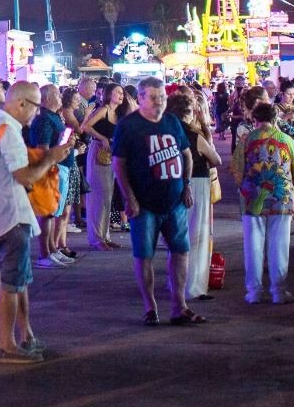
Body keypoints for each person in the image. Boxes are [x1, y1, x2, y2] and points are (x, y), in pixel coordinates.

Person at [0, 81, 69, 363]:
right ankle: (7, 344)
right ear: (22, 103)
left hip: (1, 213)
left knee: (20, 280)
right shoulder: (7, 130)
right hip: (11, 214)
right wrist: (51, 157)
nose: (37, 113)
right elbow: (24, 176)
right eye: (36, 105)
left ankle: (25, 335)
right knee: (13, 283)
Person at [112, 78, 201, 326]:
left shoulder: (172, 121)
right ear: (140, 98)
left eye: (162, 97)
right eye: (153, 97)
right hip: (144, 204)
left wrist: (187, 184)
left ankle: (179, 305)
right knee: (144, 255)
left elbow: (186, 154)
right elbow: (118, 164)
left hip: (174, 202)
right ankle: (150, 307)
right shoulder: (129, 126)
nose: (159, 102)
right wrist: (129, 197)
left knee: (181, 251)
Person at [237, 102, 294, 304]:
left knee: (253, 246)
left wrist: (246, 188)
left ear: (254, 119)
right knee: (279, 245)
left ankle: (254, 292)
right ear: (275, 119)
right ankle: (278, 291)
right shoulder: (286, 140)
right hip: (282, 198)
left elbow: (237, 169)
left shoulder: (247, 140)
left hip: (253, 197)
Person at [167, 91, 222, 303]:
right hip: (197, 183)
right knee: (197, 235)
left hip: (171, 184)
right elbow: (216, 159)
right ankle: (194, 286)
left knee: (177, 235)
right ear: (188, 113)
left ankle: (175, 284)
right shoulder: (194, 136)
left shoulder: (166, 133)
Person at [24, 84, 74, 268]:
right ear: (45, 99)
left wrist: (67, 144)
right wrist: (62, 147)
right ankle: (45, 253)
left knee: (54, 212)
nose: (60, 96)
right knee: (48, 213)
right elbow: (43, 148)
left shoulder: (53, 117)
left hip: (61, 166)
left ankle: (53, 249)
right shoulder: (44, 119)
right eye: (55, 94)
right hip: (52, 168)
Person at [81, 82, 124, 250]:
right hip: (98, 152)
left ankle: (104, 235)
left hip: (110, 155)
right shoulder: (103, 109)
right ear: (109, 94)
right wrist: (102, 138)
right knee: (99, 196)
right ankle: (96, 238)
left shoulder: (117, 113)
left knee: (107, 196)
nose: (121, 95)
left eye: (122, 92)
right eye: (118, 92)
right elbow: (86, 126)